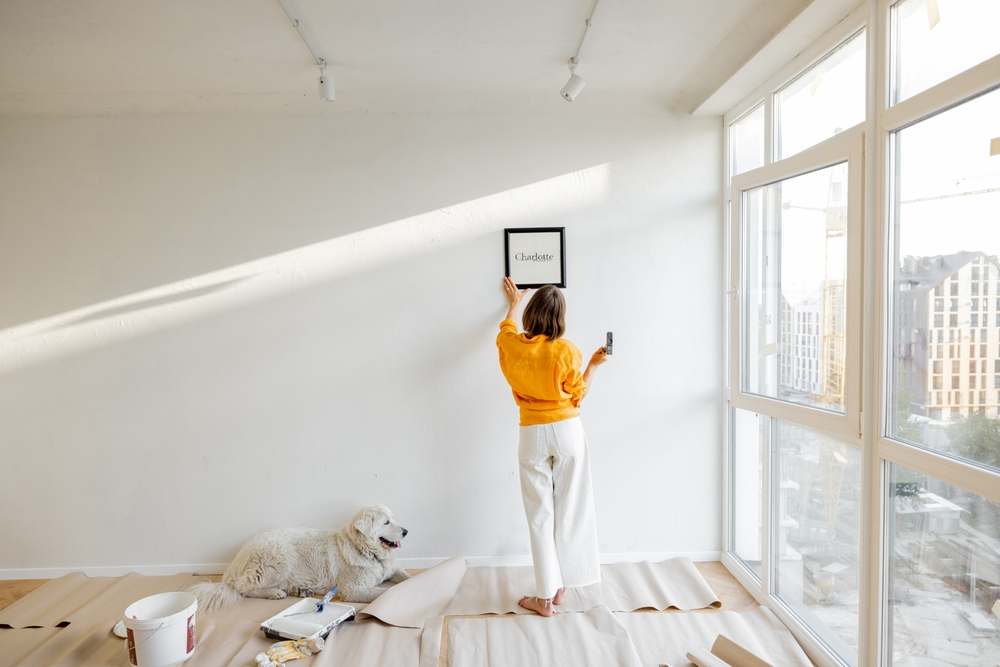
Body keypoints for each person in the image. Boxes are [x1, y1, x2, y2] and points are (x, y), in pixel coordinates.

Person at [496, 275, 609, 616]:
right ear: (560, 318)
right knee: (572, 508)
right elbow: (578, 394)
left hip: (531, 432)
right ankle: (565, 587)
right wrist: (592, 364)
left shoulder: (512, 346)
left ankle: (547, 595)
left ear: (531, 314)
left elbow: (505, 329)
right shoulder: (566, 350)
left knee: (539, 516)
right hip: (567, 431)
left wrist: (513, 304)